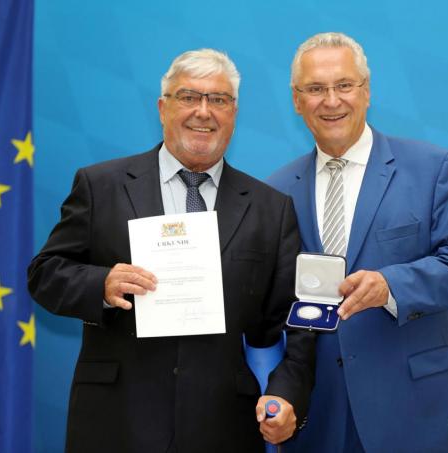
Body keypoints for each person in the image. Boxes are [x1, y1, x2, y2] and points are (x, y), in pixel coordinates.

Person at [28, 49, 315, 453]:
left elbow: (291, 320)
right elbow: (44, 273)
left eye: (218, 100)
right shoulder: (101, 185)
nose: (203, 111)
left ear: (234, 113)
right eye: (188, 97)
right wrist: (102, 284)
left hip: (222, 427)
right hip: (114, 422)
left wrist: (288, 396)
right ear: (163, 108)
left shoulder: (270, 208)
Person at [267, 33, 448, 452]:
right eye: (315, 89)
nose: (331, 100)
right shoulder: (276, 191)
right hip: (319, 418)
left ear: (366, 92)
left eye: (344, 85)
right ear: (296, 101)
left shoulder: (433, 167)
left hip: (414, 412)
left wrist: (392, 286)